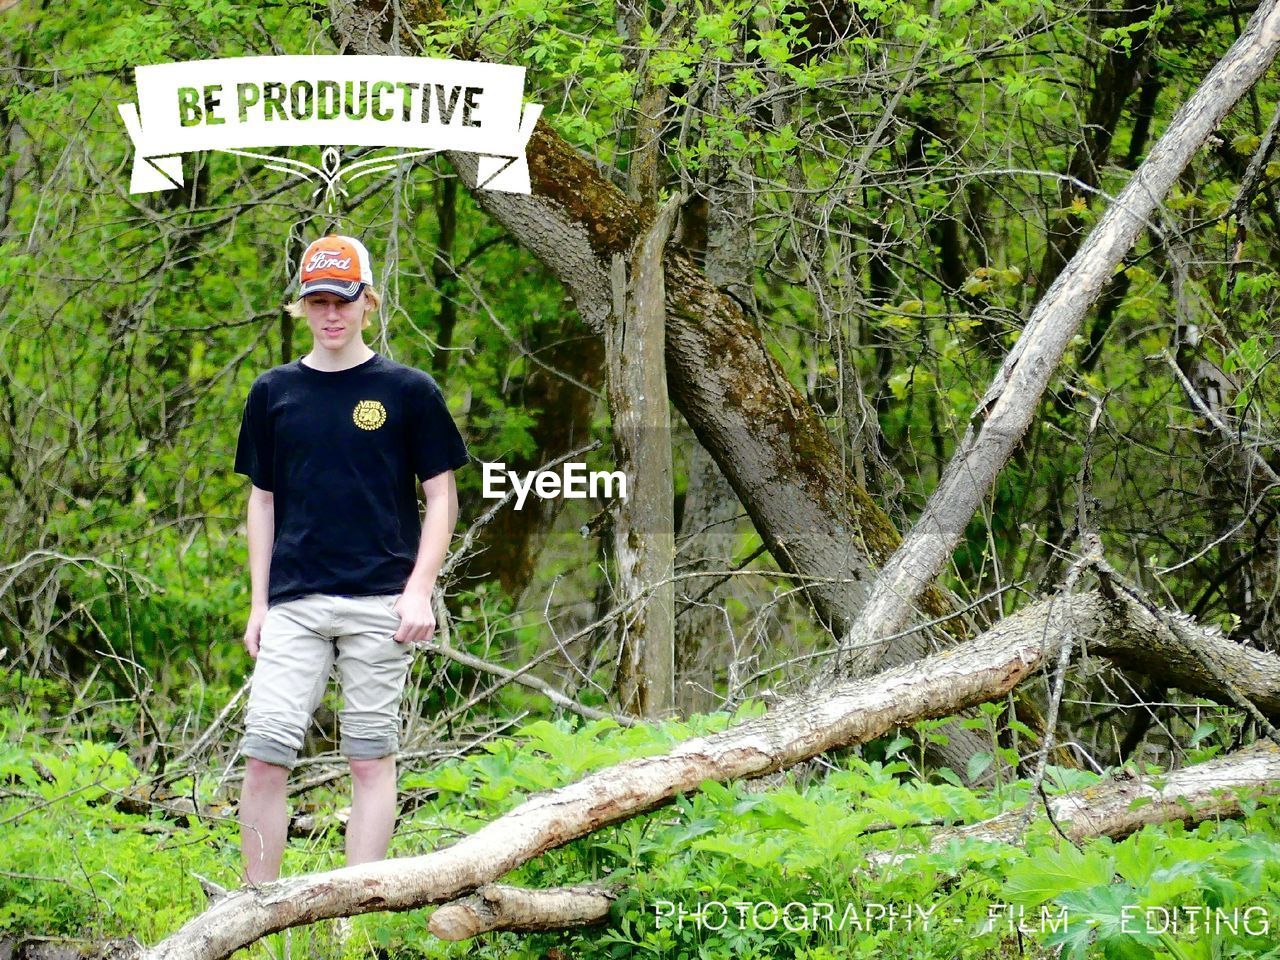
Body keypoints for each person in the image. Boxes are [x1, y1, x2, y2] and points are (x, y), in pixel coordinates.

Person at [233, 233, 469, 883]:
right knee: (265, 757)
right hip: (295, 603)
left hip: (380, 604)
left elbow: (442, 496)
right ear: (301, 307)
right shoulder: (273, 392)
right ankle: (255, 913)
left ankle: (354, 918)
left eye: (343, 300)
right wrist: (259, 605)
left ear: (369, 302)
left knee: (369, 762)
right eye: (317, 301)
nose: (330, 314)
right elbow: (261, 502)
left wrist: (420, 588)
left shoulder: (408, 390)